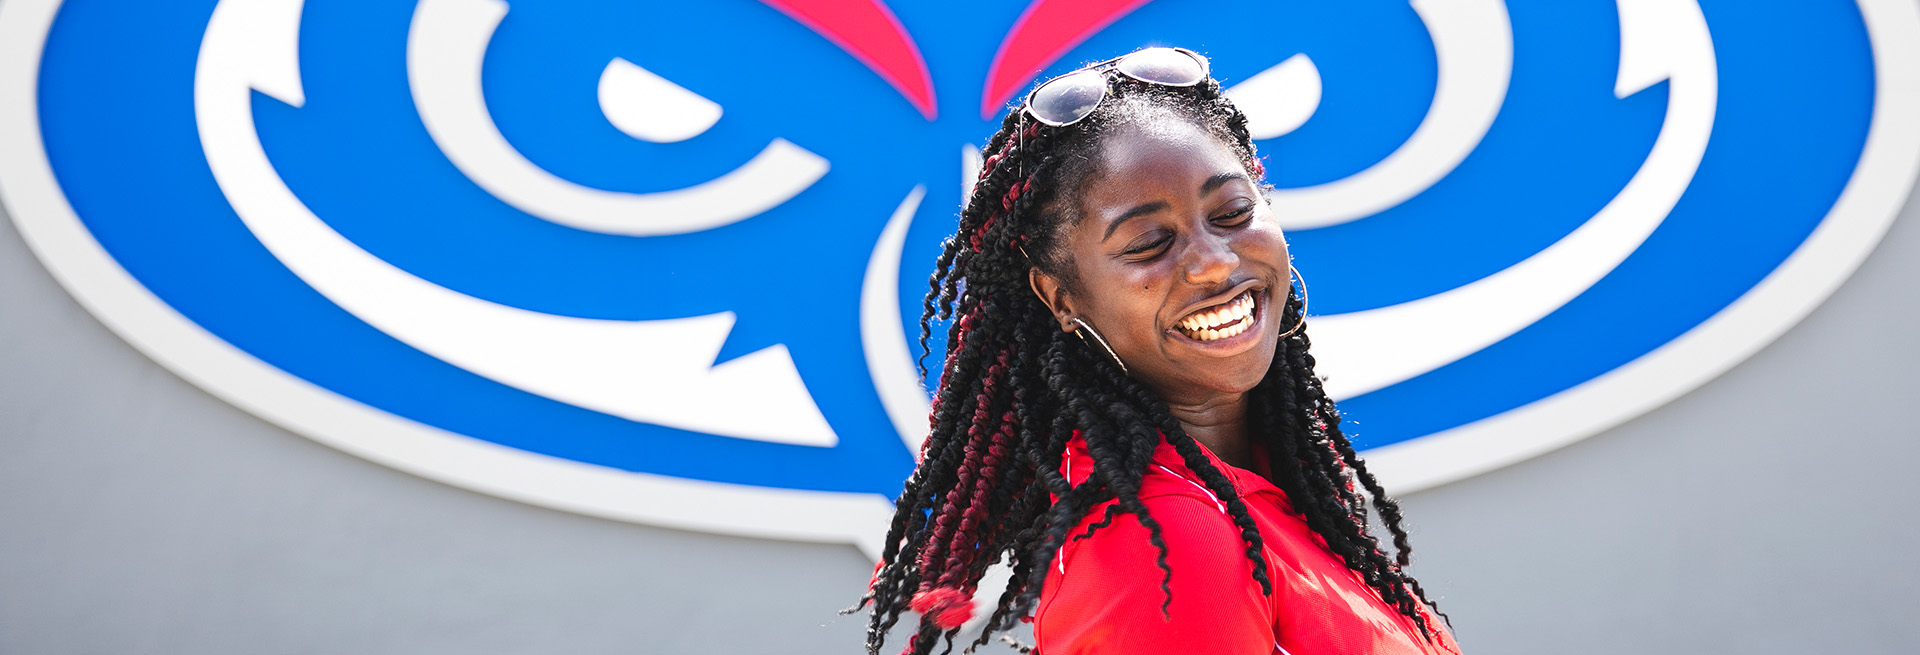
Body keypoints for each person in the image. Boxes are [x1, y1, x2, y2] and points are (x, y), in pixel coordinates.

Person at [852, 47, 1461, 655]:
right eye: (1148, 243)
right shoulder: (1166, 541)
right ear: (1062, 298)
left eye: (1233, 212)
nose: (1214, 262)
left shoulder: (1262, 486)